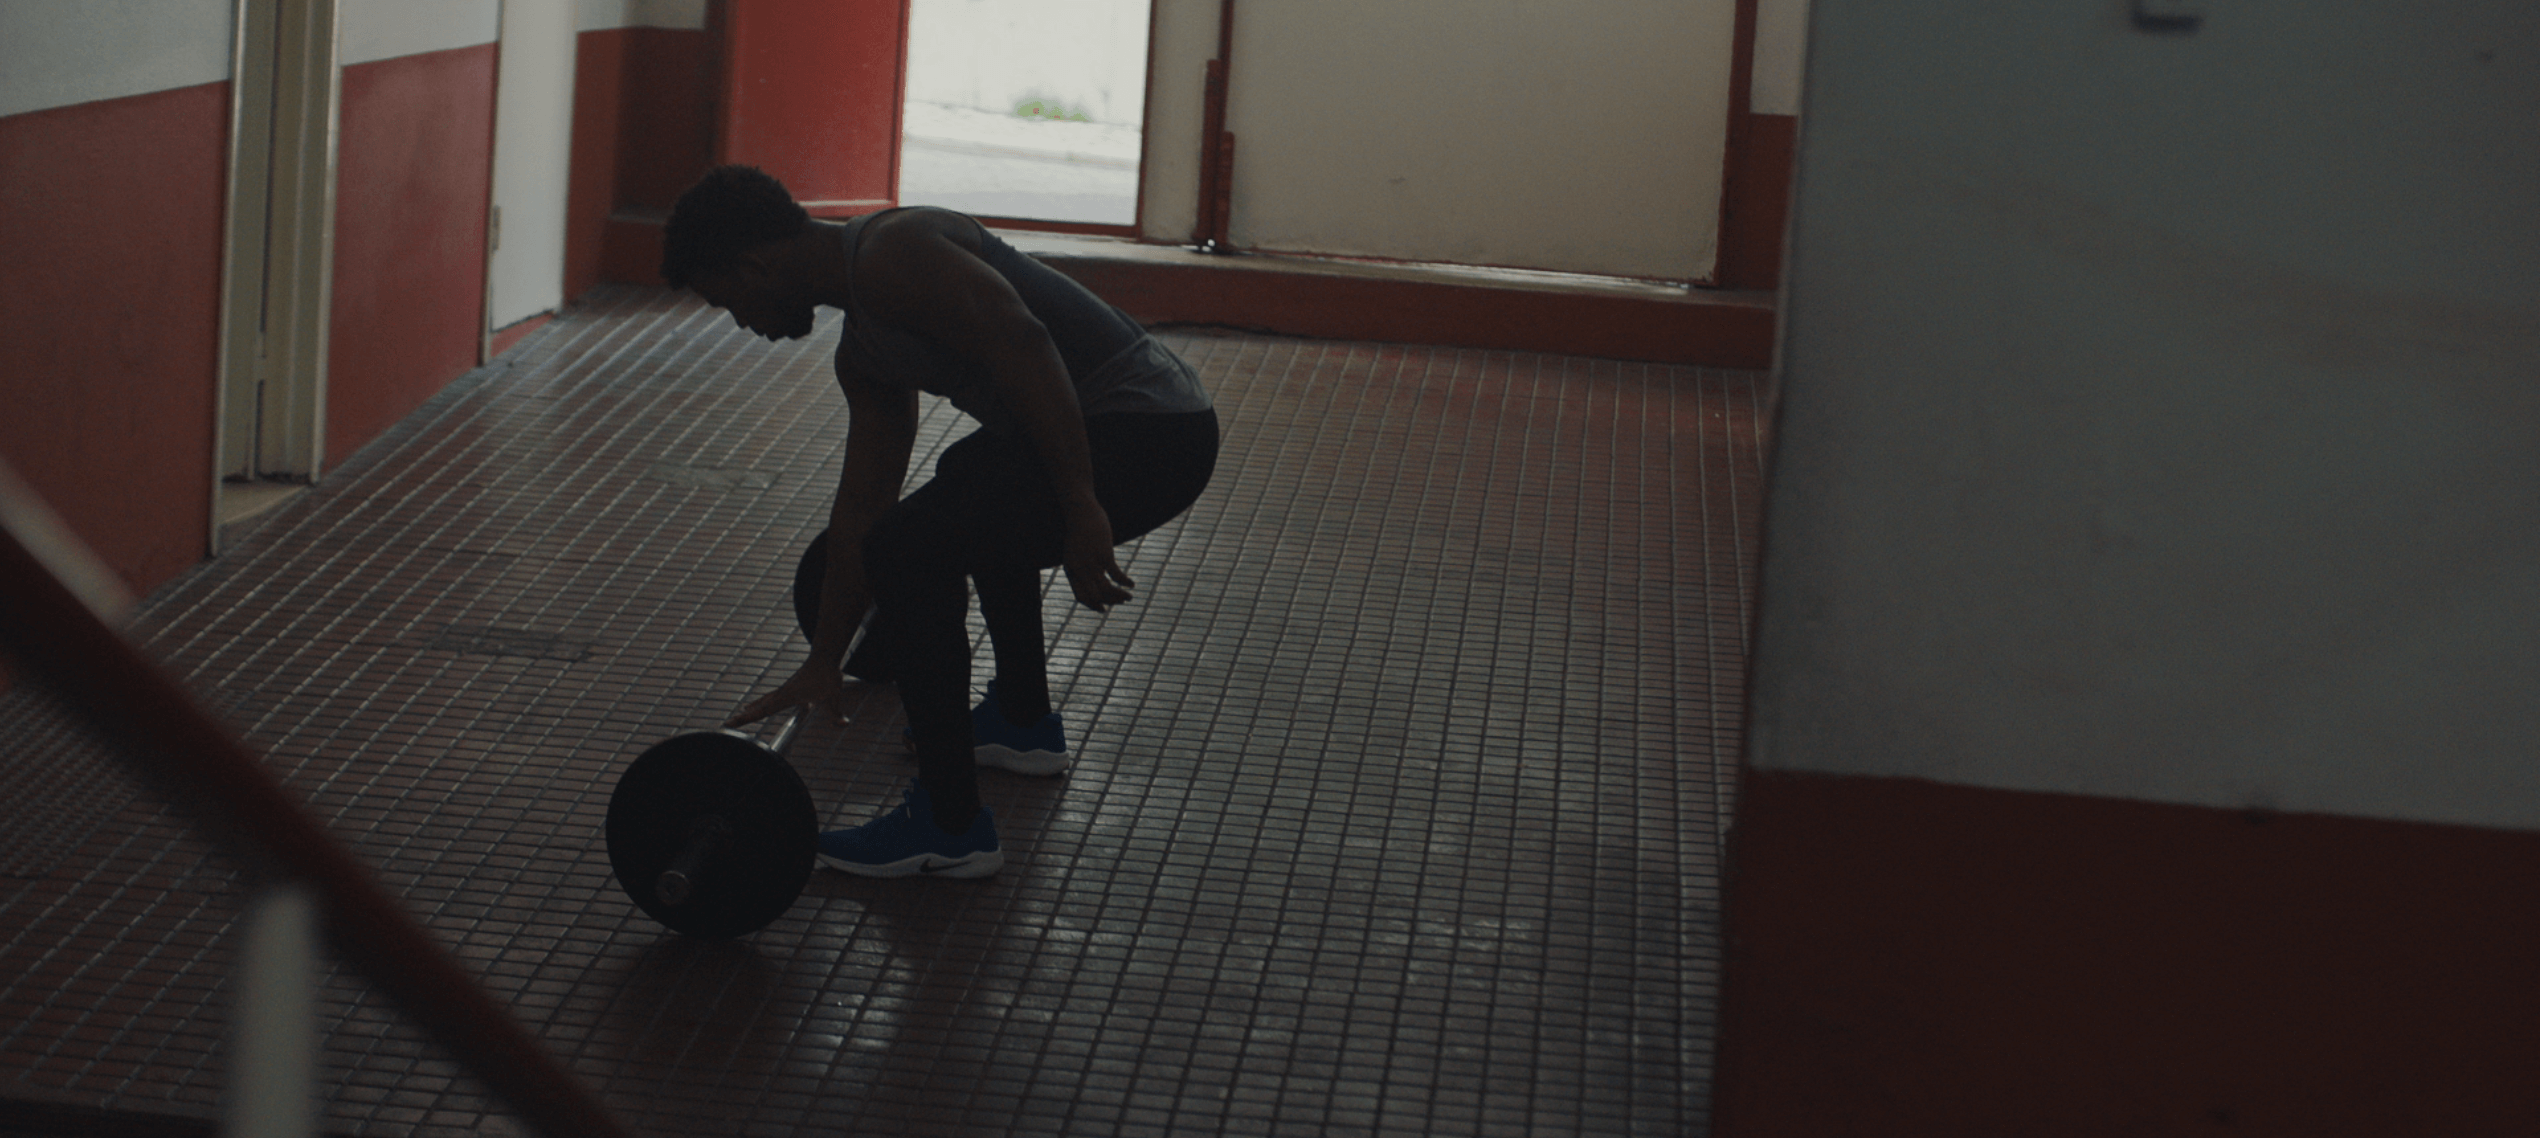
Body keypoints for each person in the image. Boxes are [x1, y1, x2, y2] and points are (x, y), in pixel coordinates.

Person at [663, 165, 1217, 879]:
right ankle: (1021, 721)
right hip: (1131, 428)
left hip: (1153, 432)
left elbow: (1027, 345)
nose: (742, 323)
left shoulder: (893, 253)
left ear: (754, 266)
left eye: (727, 301)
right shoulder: (865, 352)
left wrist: (1082, 506)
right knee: (960, 488)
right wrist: (823, 659)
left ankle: (949, 827)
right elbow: (862, 506)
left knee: (914, 547)